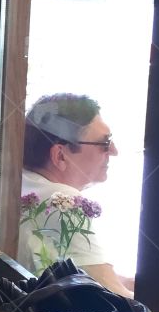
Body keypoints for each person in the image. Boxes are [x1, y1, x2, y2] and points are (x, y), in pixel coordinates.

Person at [18, 93, 133, 296]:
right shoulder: (62, 200)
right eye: (104, 143)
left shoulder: (23, 183)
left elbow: (98, 273)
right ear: (60, 155)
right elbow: (117, 297)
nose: (114, 151)